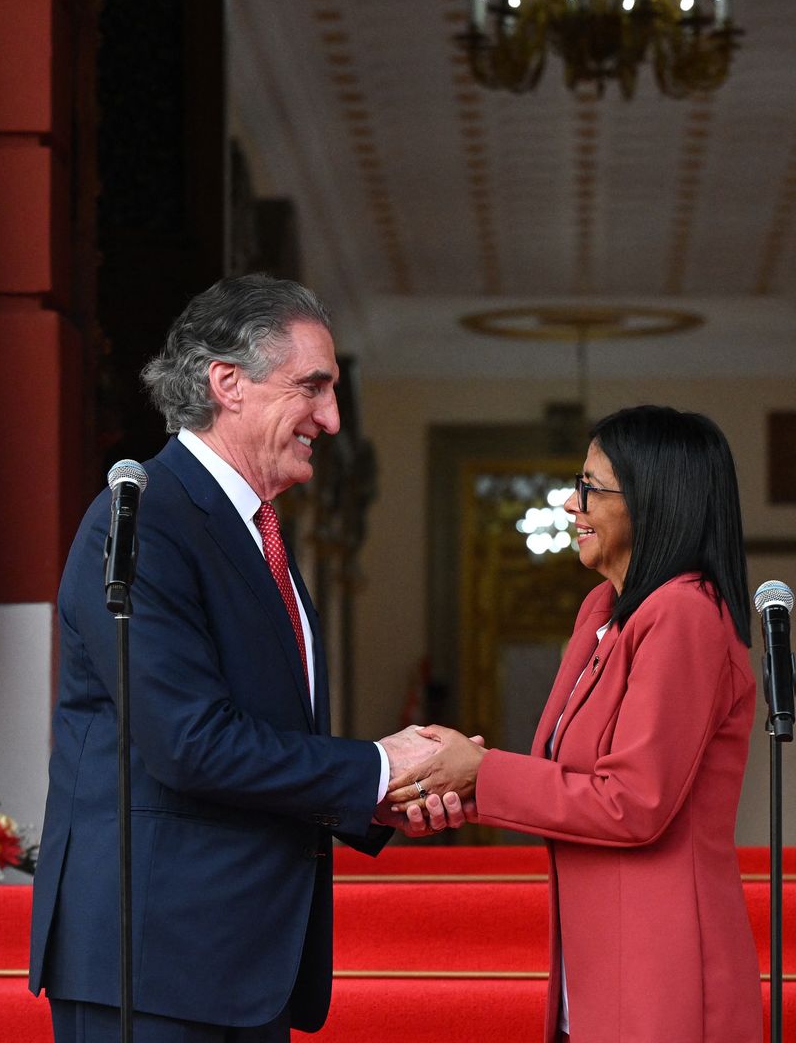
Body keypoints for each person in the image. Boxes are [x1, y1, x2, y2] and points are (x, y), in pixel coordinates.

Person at [30, 275, 470, 1042]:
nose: (330, 420)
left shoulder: (251, 529)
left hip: (238, 960)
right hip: (154, 960)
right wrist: (377, 767)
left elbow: (264, 730)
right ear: (226, 383)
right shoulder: (140, 522)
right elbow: (191, 743)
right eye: (312, 388)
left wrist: (380, 799)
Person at [391, 405, 763, 1043]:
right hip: (597, 962)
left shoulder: (683, 614)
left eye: (591, 487)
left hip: (661, 961)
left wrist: (481, 773)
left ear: (652, 501)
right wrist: (454, 784)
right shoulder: (607, 610)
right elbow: (563, 782)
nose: (571, 503)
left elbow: (633, 802)